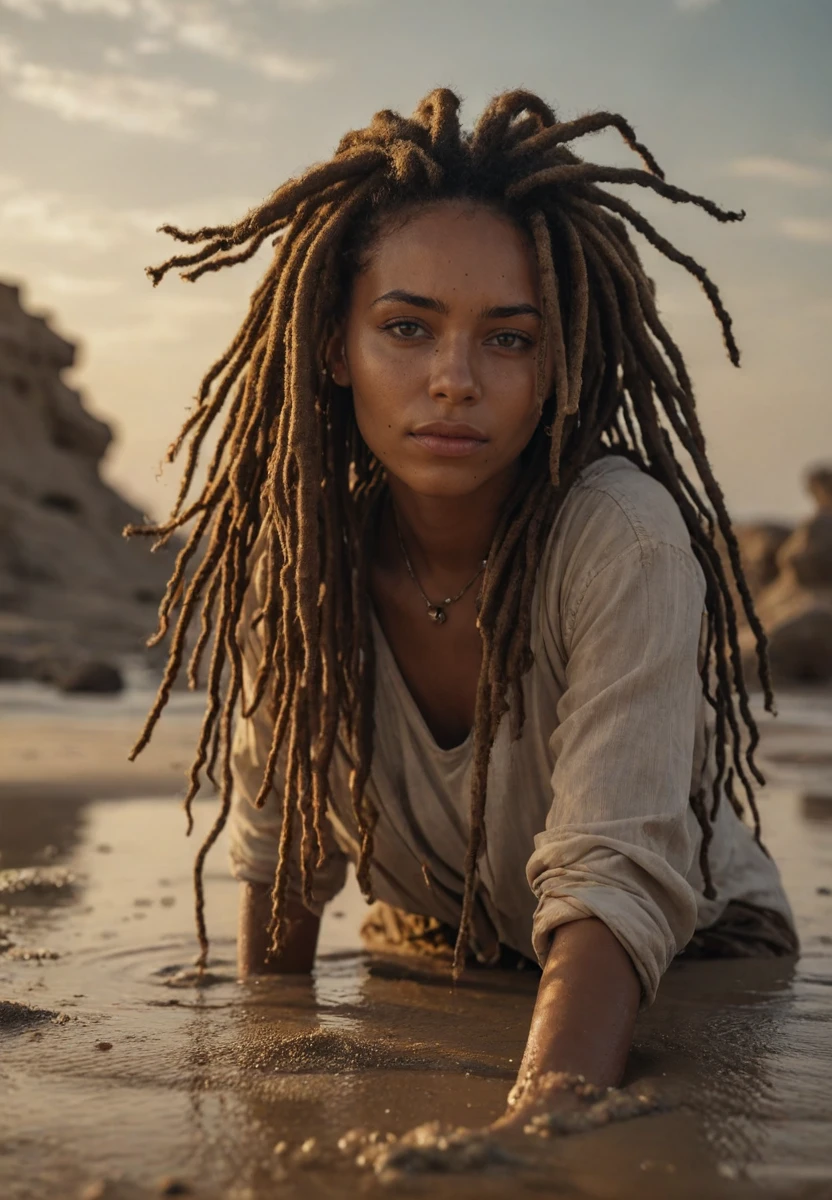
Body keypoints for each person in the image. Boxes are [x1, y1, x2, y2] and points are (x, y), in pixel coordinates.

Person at [129, 88, 797, 1134]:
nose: (453, 380)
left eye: (508, 339)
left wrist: (537, 1129)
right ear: (331, 345)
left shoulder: (621, 539)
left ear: (559, 364)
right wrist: (261, 1094)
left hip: (687, 952)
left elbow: (613, 882)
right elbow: (283, 853)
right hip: (435, 942)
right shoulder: (299, 556)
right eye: (407, 327)